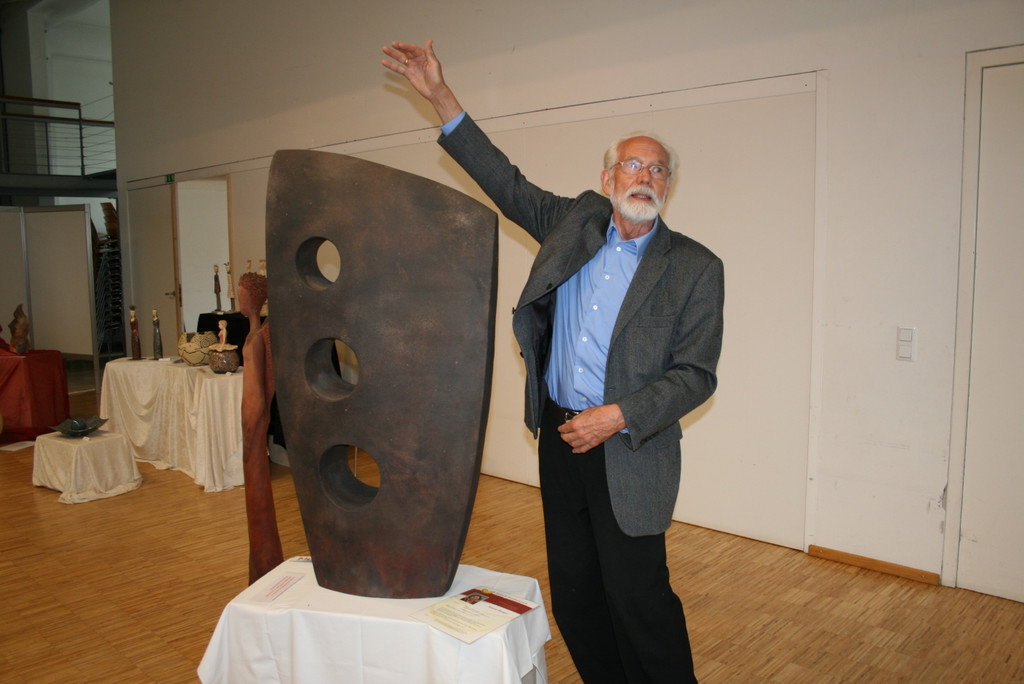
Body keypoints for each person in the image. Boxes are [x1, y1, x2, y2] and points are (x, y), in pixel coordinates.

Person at [382, 41, 724, 683]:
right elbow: (504, 182)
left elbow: (695, 374)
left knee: (638, 601)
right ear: (608, 180)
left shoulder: (695, 268)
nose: (645, 176)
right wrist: (440, 96)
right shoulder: (573, 223)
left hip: (631, 451)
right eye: (632, 164)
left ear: (668, 186)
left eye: (657, 169)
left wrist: (618, 415)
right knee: (575, 596)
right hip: (562, 440)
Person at [238, 271, 283, 582]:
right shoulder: (260, 332)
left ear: (253, 299)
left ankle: (264, 569)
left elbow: (256, 395)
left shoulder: (258, 339)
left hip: (254, 426)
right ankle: (262, 567)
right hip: (253, 423)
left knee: (258, 499)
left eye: (241, 295)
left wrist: (251, 431)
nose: (239, 300)